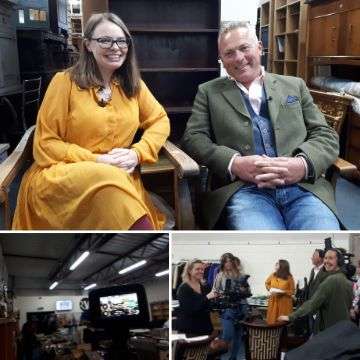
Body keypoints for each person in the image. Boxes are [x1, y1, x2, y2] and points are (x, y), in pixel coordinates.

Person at [12, 12, 170, 230]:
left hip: (118, 178)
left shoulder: (133, 86)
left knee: (112, 187)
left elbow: (160, 120)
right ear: (87, 45)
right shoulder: (64, 82)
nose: (115, 47)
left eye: (121, 40)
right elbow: (46, 144)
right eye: (105, 40)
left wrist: (138, 152)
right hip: (63, 178)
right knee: (109, 182)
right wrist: (98, 161)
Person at [182, 21, 340, 230]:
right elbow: (193, 139)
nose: (239, 58)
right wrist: (234, 163)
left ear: (260, 48)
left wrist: (302, 165)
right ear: (221, 60)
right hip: (244, 192)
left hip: (303, 189)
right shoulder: (208, 92)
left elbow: (325, 134)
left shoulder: (295, 85)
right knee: (263, 243)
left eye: (244, 48)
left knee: (320, 241)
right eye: (229, 53)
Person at [278, 249, 353, 334]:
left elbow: (313, 303)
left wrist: (291, 317)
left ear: (339, 261)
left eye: (330, 258)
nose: (326, 261)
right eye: (325, 258)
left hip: (329, 330)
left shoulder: (330, 280)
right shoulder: (346, 280)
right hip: (342, 328)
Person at [213, 253, 250, 360]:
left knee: (238, 336)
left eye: (230, 261)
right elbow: (215, 291)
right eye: (226, 261)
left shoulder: (241, 275)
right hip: (228, 308)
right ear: (223, 263)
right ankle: (217, 356)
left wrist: (244, 290)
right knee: (227, 335)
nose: (228, 264)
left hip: (241, 308)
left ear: (233, 262)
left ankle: (233, 358)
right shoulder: (220, 275)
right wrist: (221, 294)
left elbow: (248, 292)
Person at [176, 259, 218, 336]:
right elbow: (190, 310)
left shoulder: (205, 286)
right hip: (190, 330)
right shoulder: (183, 288)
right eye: (197, 269)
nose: (201, 271)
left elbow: (208, 307)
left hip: (206, 328)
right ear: (189, 270)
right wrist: (207, 297)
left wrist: (217, 301)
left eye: (202, 269)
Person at [265, 259, 295, 324]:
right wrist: (270, 289)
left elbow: (292, 291)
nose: (275, 265)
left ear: (282, 266)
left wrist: (283, 292)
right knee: (272, 322)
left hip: (284, 303)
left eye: (277, 264)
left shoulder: (289, 277)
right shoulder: (273, 275)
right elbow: (267, 283)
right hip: (273, 302)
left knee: (282, 323)